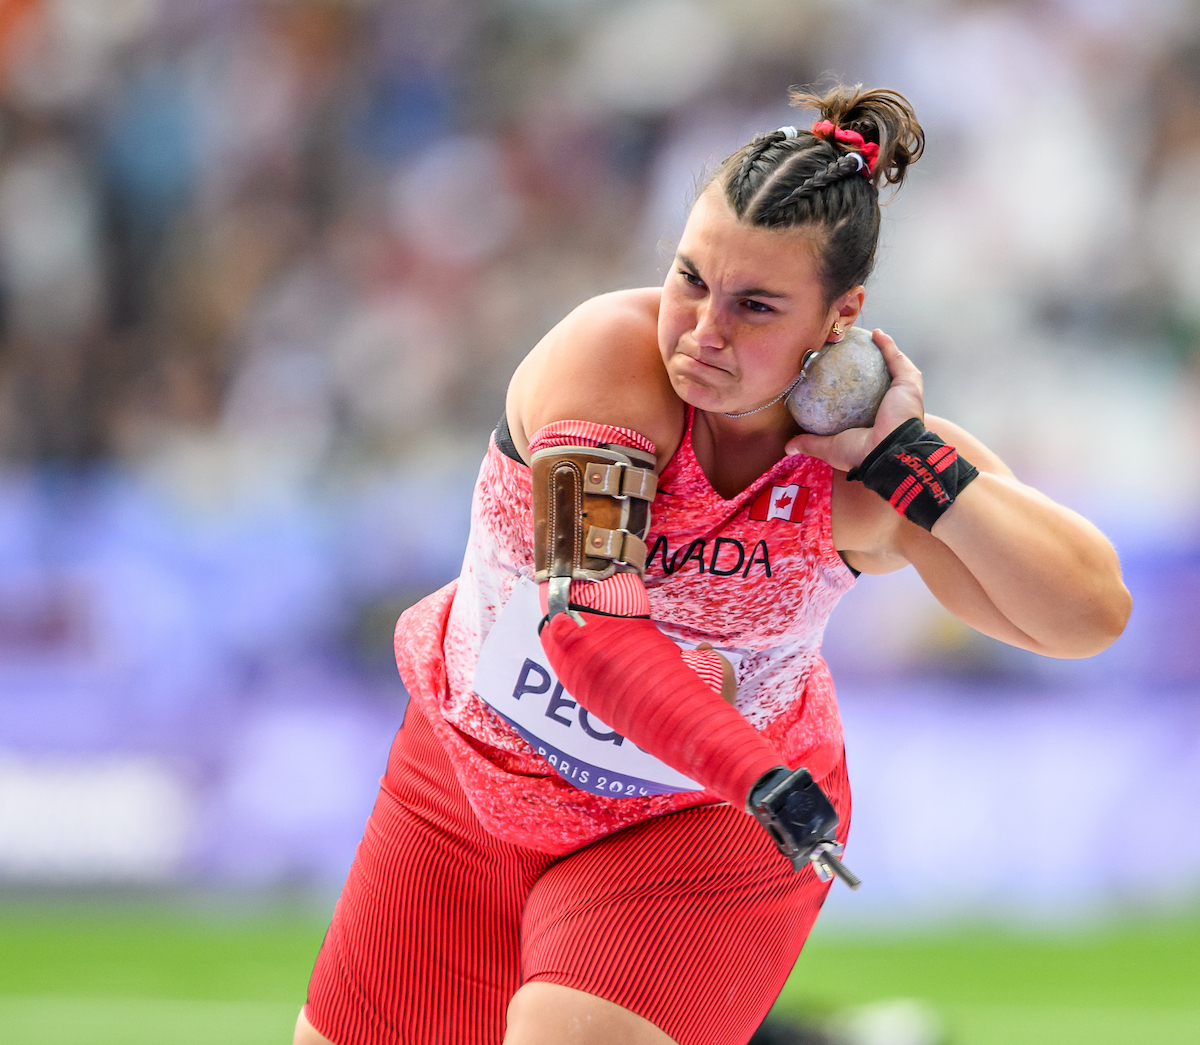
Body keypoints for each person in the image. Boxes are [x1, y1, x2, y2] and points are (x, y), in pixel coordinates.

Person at [294, 84, 1131, 1045]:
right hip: (471, 776)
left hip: (697, 828)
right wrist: (760, 774)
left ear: (839, 317)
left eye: (756, 306)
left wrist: (916, 467)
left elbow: (1087, 614)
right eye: (692, 279)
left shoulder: (857, 473)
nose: (702, 332)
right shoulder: (609, 363)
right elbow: (586, 629)